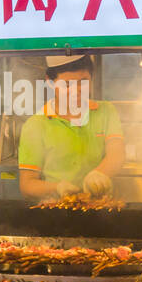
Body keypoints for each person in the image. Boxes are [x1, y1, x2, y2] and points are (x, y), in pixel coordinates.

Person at [18, 55, 124, 198]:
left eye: (83, 81)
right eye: (67, 84)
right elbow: (27, 184)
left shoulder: (105, 111)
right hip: (57, 212)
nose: (77, 90)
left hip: (103, 209)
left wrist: (98, 174)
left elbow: (117, 155)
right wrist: (57, 187)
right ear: (50, 82)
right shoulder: (35, 125)